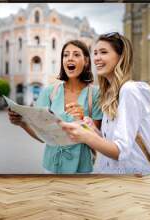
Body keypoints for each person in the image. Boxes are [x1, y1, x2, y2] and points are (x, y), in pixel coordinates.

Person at [59, 32, 150, 175]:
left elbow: (120, 151)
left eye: (103, 52)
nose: (97, 58)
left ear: (120, 57)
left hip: (132, 180)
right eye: (95, 53)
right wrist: (91, 129)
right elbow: (109, 142)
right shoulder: (110, 94)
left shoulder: (129, 90)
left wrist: (85, 136)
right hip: (110, 176)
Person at [8, 40, 102, 174]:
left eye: (76, 54)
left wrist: (82, 119)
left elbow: (98, 139)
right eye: (65, 55)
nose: (70, 58)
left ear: (86, 61)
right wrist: (22, 123)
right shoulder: (48, 92)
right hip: (51, 166)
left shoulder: (95, 94)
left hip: (82, 169)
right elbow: (42, 136)